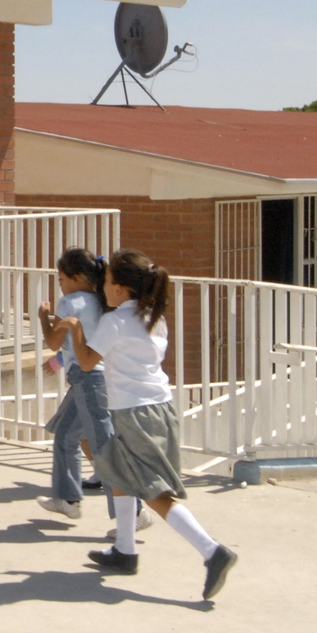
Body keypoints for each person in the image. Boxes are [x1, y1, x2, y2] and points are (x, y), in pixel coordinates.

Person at [65, 248, 237, 601]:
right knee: (116, 471)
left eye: (107, 281)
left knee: (153, 492)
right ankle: (125, 550)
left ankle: (212, 551)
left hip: (135, 413)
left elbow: (86, 362)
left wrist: (75, 328)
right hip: (156, 407)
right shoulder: (152, 317)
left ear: (120, 288)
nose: (103, 287)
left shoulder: (115, 321)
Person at [38, 248, 152, 537]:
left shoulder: (69, 302)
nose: (60, 285)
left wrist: (43, 317)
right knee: (66, 434)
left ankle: (135, 513)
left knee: (104, 448)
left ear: (76, 278)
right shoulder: (103, 301)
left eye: (61, 279)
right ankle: (67, 498)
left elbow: (54, 342)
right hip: (96, 377)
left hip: (88, 380)